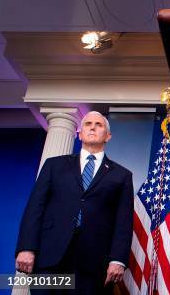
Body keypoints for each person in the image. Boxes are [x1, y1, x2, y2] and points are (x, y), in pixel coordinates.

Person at [15, 111, 134, 294]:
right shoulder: (54, 165)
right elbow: (35, 207)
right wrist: (26, 248)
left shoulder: (122, 175)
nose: (92, 127)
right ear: (80, 133)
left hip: (92, 265)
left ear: (108, 136)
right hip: (49, 257)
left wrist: (117, 260)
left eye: (98, 124)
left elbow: (123, 222)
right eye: (87, 124)